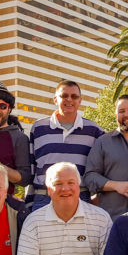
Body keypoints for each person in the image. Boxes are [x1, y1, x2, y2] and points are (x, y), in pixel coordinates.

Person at [27, 80, 105, 209]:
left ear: (80, 100)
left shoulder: (94, 130)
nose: (69, 100)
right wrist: (30, 201)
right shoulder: (38, 128)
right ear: (55, 99)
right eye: (64, 96)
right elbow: (32, 168)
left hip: (81, 198)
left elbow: (100, 168)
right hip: (44, 198)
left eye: (74, 96)